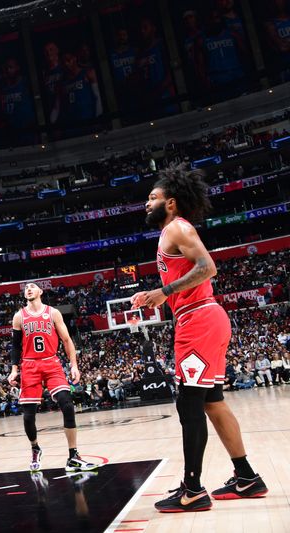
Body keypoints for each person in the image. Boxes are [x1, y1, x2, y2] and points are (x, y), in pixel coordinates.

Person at [132, 164, 268, 512]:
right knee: (212, 402)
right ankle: (247, 477)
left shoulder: (176, 227)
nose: (147, 203)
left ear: (172, 203)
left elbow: (208, 267)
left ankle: (191, 490)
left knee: (188, 405)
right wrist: (158, 294)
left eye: (153, 198)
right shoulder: (172, 232)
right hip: (205, 318)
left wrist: (164, 292)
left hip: (198, 322)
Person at [7, 282, 97, 473]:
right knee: (28, 415)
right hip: (30, 365)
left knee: (67, 403)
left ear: (40, 291)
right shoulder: (18, 317)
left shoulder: (53, 312)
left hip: (51, 362)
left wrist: (74, 365)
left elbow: (66, 340)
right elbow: (15, 346)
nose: (29, 289)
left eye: (33, 287)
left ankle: (73, 456)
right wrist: (14, 369)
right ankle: (35, 448)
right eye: (26, 288)